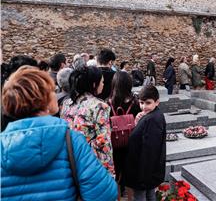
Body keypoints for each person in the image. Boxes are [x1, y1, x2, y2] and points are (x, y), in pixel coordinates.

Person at [1, 66, 118, 200]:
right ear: (44, 100)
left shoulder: (2, 145)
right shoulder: (72, 141)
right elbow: (103, 194)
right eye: (52, 90)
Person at [60, 66, 115, 176]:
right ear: (94, 84)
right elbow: (103, 141)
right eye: (102, 82)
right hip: (91, 162)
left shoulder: (66, 103)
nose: (103, 84)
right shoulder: (99, 106)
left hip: (70, 159)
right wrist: (109, 173)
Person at [123, 85, 166, 201]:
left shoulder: (152, 119)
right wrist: (138, 121)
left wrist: (142, 176)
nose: (144, 107)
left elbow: (150, 150)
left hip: (142, 170)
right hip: (146, 169)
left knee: (141, 197)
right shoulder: (152, 115)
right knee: (149, 194)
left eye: (148, 103)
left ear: (157, 102)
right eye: (141, 103)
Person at [108, 71, 142, 198]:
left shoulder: (108, 102)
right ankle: (130, 198)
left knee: (116, 175)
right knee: (130, 176)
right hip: (131, 142)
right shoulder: (135, 102)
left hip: (115, 143)